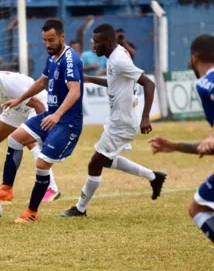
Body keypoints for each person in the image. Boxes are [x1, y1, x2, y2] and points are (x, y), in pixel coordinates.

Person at [149, 34, 214, 271]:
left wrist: (212, 135)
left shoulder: (206, 83)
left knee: (198, 207)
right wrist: (176, 146)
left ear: (193, 58)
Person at [59, 24, 166, 218]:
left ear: (108, 42)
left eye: (97, 42)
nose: (93, 46)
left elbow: (148, 83)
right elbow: (114, 82)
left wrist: (145, 117)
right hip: (118, 119)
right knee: (106, 160)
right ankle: (154, 176)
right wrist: (90, 79)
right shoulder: (115, 55)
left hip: (123, 122)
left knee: (95, 163)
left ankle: (80, 209)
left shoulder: (118, 60)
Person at [0, 19, 84, 223]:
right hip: (51, 117)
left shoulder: (70, 59)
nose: (47, 44)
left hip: (67, 122)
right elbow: (42, 82)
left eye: (51, 40)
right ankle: (6, 188)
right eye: (45, 40)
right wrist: (19, 99)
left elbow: (75, 91)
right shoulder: (52, 57)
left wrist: (57, 115)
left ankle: (32, 211)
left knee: (41, 165)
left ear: (62, 37)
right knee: (15, 139)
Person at [0, 61, 61, 202]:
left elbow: (37, 103)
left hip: (38, 106)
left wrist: (42, 131)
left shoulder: (9, 84)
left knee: (32, 143)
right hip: (17, 107)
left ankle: (52, 188)